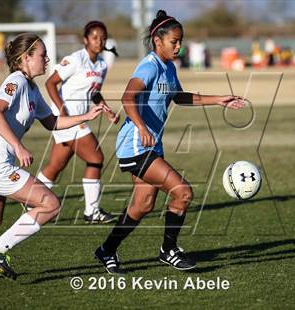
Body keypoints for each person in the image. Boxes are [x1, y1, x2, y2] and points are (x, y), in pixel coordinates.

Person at [0, 33, 104, 283]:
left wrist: (86, 116)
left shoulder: (32, 88)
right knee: (50, 204)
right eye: (42, 55)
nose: (47, 59)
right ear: (25, 58)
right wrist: (17, 146)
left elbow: (51, 122)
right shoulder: (15, 81)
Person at [94, 10, 245, 275]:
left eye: (180, 41)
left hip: (151, 146)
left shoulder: (169, 68)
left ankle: (106, 250)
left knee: (143, 205)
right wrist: (141, 126)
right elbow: (128, 98)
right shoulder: (149, 66)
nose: (179, 46)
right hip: (135, 146)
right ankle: (168, 250)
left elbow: (180, 97)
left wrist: (218, 98)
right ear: (157, 41)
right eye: (174, 41)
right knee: (183, 192)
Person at [36, 21, 119, 224]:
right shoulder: (75, 59)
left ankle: (31, 198)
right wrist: (62, 110)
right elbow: (50, 83)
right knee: (97, 157)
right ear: (85, 40)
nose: (99, 41)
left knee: (57, 164)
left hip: (79, 118)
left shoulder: (101, 65)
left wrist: (107, 111)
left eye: (103, 38)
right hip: (67, 118)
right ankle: (92, 211)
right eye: (94, 37)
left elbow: (95, 93)